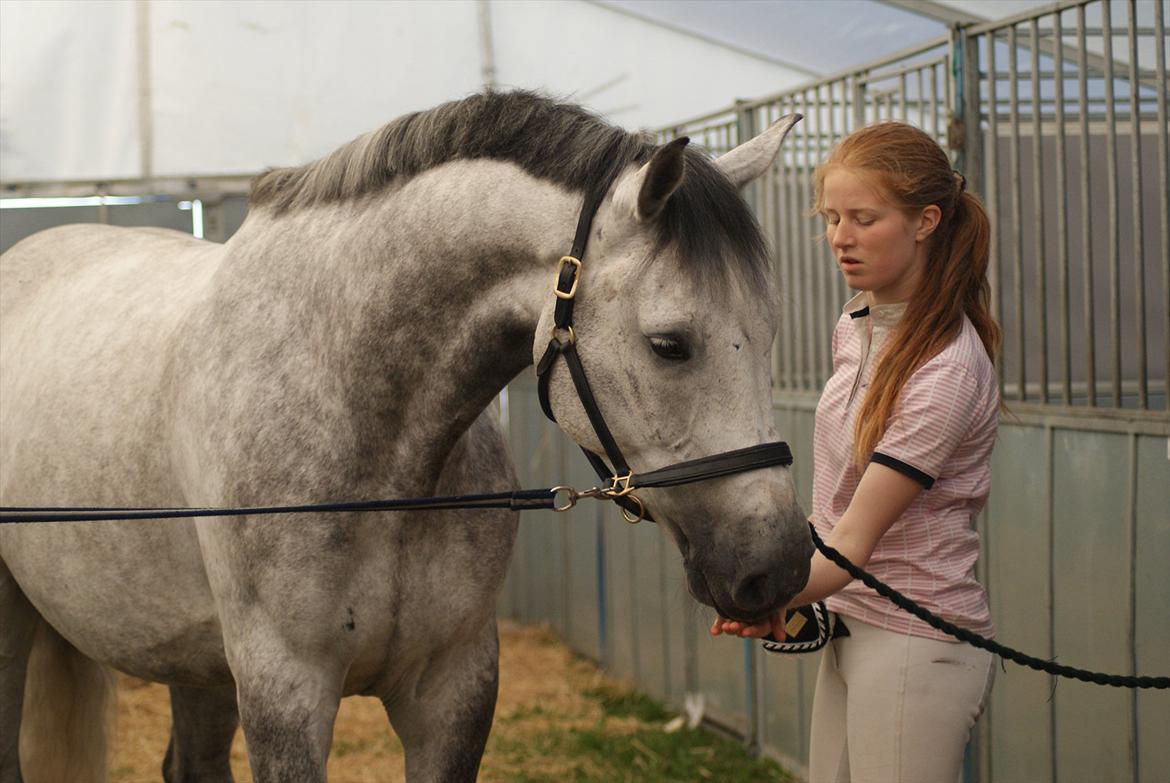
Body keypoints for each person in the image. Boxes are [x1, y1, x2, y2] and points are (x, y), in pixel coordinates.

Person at [711, 121, 1001, 783]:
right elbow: (834, 504)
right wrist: (787, 601)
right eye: (832, 217)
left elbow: (855, 538)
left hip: (914, 642)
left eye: (865, 218)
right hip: (849, 625)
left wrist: (764, 596)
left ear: (926, 220)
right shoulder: (855, 323)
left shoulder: (947, 369)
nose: (841, 237)